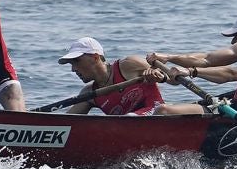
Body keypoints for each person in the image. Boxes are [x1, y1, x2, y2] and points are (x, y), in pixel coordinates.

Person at [58, 37, 203, 116]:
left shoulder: (128, 65)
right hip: (128, 129)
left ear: (96, 57)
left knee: (128, 119)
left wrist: (159, 77)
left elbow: (174, 81)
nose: (73, 69)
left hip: (157, 114)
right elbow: (65, 123)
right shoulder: (88, 94)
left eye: (76, 61)